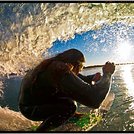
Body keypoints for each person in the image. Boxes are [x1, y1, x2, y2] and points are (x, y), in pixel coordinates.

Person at [18, 48, 115, 131]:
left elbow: (76, 79)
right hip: (31, 109)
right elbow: (94, 100)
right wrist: (107, 74)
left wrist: (92, 78)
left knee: (70, 91)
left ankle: (68, 115)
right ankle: (41, 131)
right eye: (81, 67)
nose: (80, 70)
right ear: (77, 64)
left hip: (31, 104)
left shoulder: (52, 64)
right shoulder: (59, 69)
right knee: (70, 106)